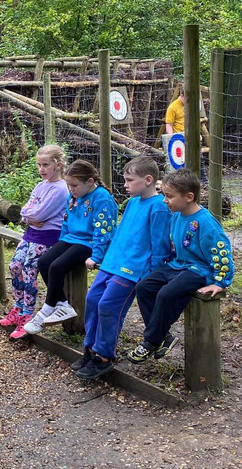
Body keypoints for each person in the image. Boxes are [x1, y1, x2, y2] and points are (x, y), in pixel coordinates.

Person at [73, 157, 171, 380]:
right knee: (92, 300)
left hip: (133, 270)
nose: (125, 185)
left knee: (108, 306)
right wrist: (105, 257)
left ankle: (104, 356)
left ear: (148, 180)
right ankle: (90, 348)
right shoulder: (132, 202)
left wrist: (151, 274)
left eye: (129, 180)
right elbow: (120, 233)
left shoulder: (159, 207)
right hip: (112, 263)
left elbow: (160, 245)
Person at [126, 168, 234, 364]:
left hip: (199, 270)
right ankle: (164, 336)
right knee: (143, 287)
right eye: (164, 195)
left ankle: (150, 341)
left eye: (169, 196)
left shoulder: (205, 223)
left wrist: (220, 282)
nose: (164, 200)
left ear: (189, 197)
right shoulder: (175, 215)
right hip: (178, 265)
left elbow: (221, 251)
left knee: (166, 294)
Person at [24, 160, 117, 335]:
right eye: (69, 185)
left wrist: (96, 256)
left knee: (57, 266)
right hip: (71, 239)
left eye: (74, 185)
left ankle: (47, 308)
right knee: (44, 262)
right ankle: (62, 304)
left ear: (90, 181)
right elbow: (65, 223)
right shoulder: (72, 197)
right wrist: (60, 244)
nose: (71, 189)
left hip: (89, 242)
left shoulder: (102, 198)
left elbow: (103, 230)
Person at [0, 145, 70, 339]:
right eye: (39, 165)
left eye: (45, 165)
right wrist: (28, 217)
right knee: (15, 267)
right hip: (31, 234)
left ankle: (27, 316)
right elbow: (27, 209)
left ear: (58, 165)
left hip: (47, 237)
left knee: (30, 273)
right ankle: (18, 308)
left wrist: (29, 215)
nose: (41, 169)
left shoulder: (60, 189)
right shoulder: (41, 185)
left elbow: (39, 213)